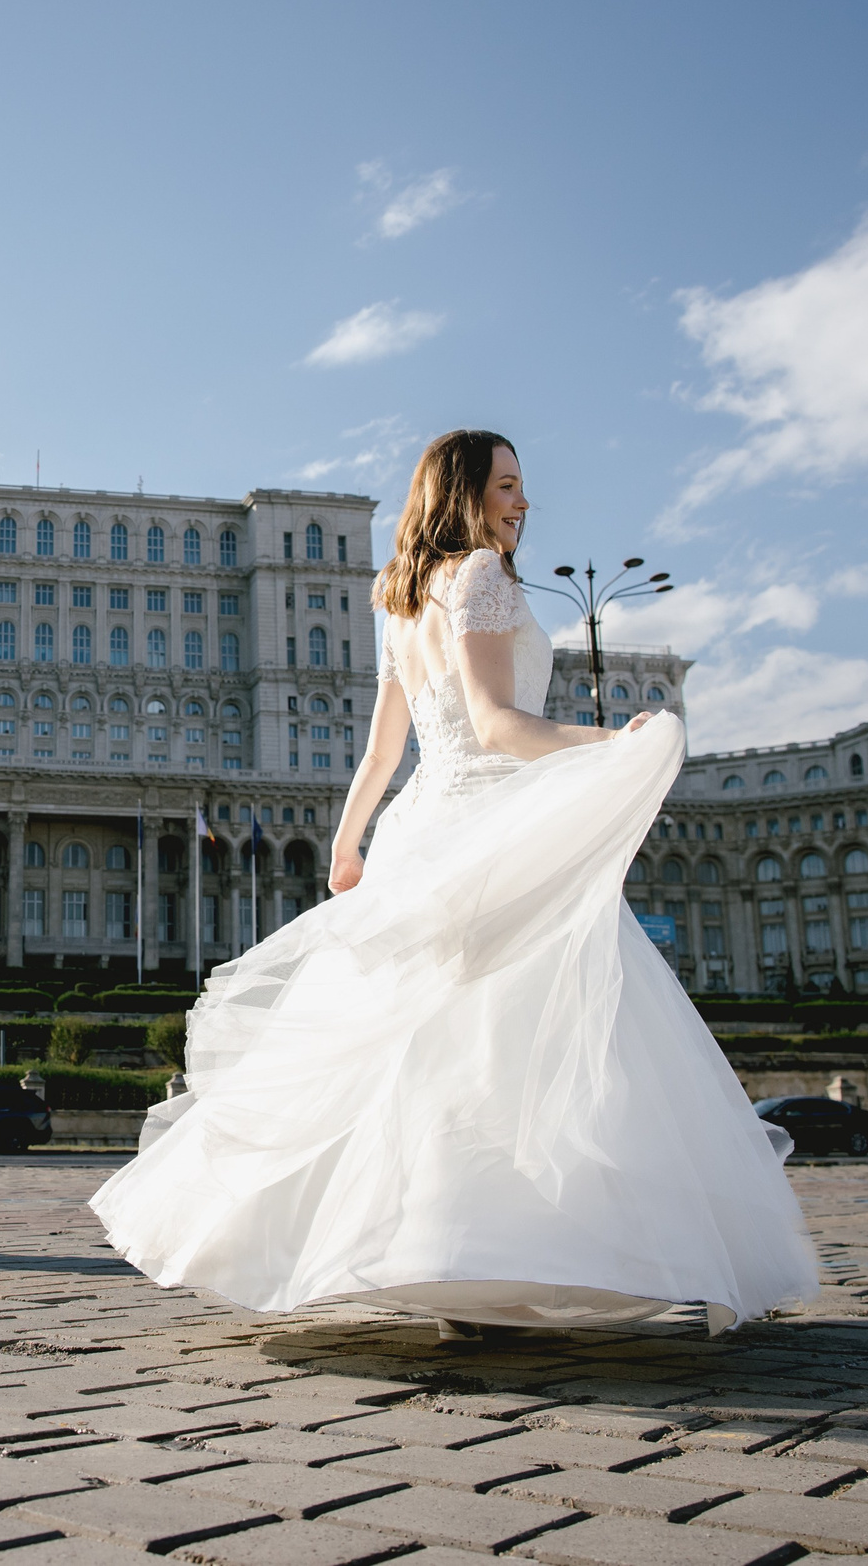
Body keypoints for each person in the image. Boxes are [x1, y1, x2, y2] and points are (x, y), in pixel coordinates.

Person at [91, 430, 817, 1335]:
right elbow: (498, 724)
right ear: (464, 492)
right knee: (524, 1039)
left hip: (423, 829)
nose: (523, 502)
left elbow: (382, 751)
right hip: (492, 825)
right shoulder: (478, 573)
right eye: (507, 485)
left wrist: (347, 844)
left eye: (522, 486)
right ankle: (500, 1256)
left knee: (441, 1046)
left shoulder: (399, 599)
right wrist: (616, 741)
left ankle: (453, 1256)